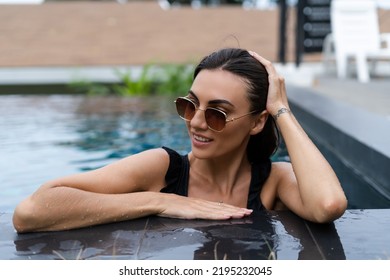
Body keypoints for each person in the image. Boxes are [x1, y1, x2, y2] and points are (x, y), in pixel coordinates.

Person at [12, 48, 348, 233]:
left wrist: (280, 109)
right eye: (189, 105)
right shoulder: (163, 168)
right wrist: (159, 202)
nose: (197, 122)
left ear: (257, 122)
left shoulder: (272, 181)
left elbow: (328, 205)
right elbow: (31, 211)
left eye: (217, 113)